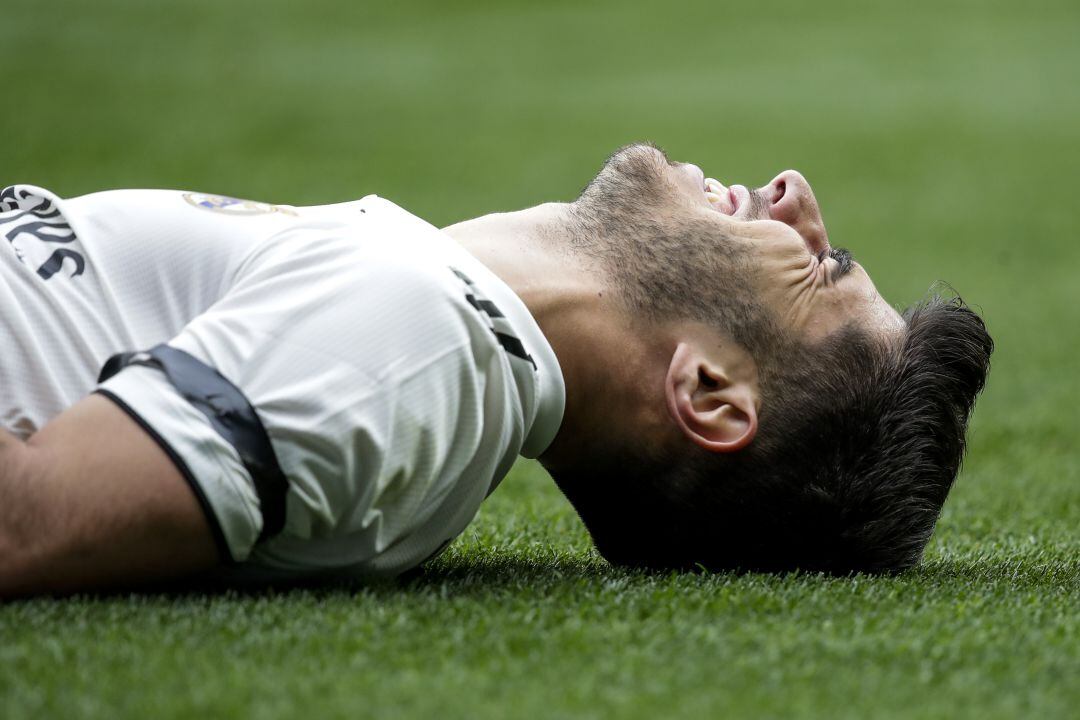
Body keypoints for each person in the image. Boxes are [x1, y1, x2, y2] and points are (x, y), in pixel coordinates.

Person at [0, 143, 992, 596]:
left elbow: (28, 521)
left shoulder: (414, 344)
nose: (794, 194)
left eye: (820, 265)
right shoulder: (427, 319)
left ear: (708, 393)